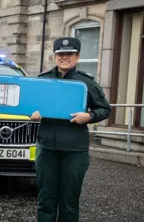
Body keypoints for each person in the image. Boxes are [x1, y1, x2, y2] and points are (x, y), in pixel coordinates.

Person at [30, 37, 112, 222]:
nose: (65, 57)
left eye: (69, 54)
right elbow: (31, 105)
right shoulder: (43, 80)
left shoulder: (87, 83)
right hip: (47, 148)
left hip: (75, 151)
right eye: (61, 54)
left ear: (77, 56)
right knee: (46, 200)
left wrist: (89, 116)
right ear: (55, 56)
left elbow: (105, 109)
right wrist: (32, 114)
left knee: (69, 202)